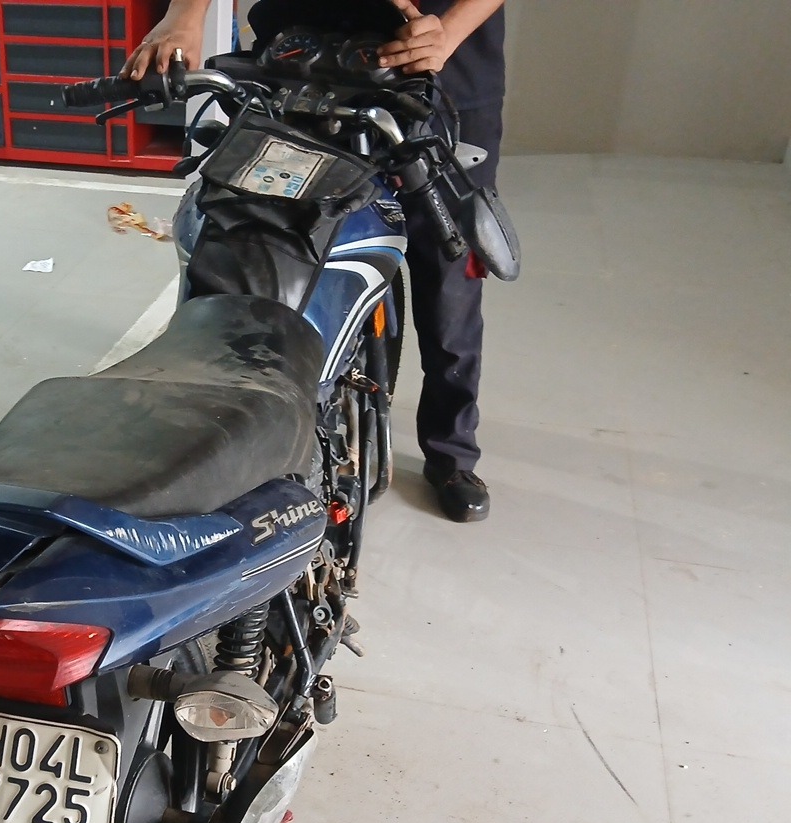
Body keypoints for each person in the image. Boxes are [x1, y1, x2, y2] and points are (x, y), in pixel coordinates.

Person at [125, 0, 507, 523]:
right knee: (259, 246)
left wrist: (450, 32)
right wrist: (185, 16)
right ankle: (244, 425)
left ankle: (452, 451)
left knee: (447, 277)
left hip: (439, 65)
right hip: (298, 57)